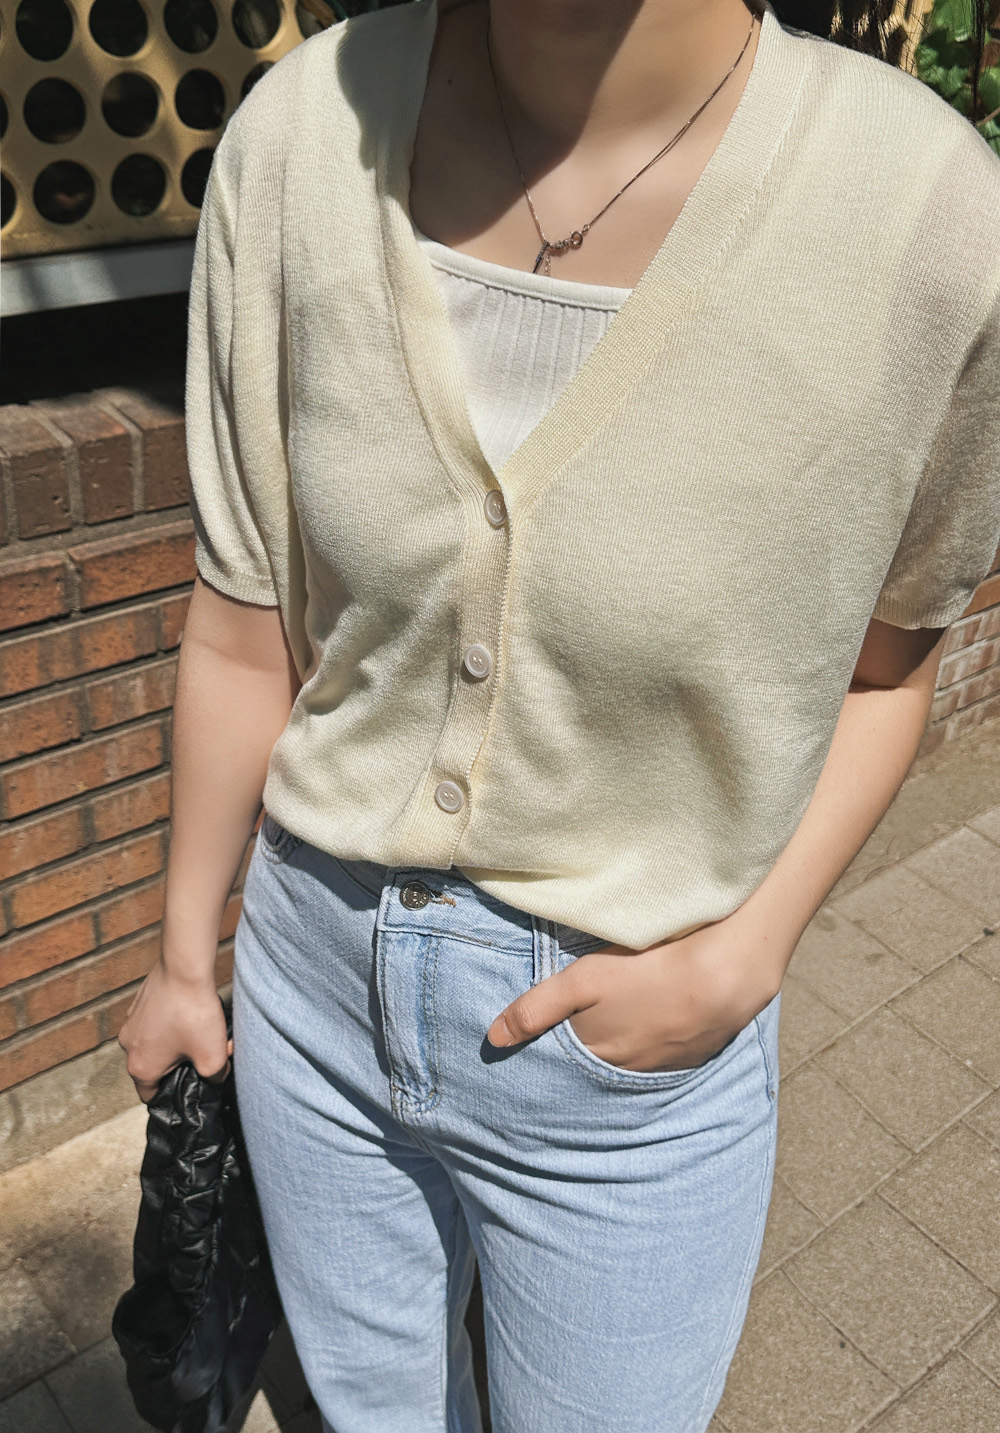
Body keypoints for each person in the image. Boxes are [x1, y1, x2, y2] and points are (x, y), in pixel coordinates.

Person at [118, 0, 1000, 1427]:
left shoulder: (932, 218)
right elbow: (240, 622)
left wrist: (748, 952)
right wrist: (181, 955)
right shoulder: (296, 143)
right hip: (309, 990)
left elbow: (887, 667)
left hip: (629, 1055)